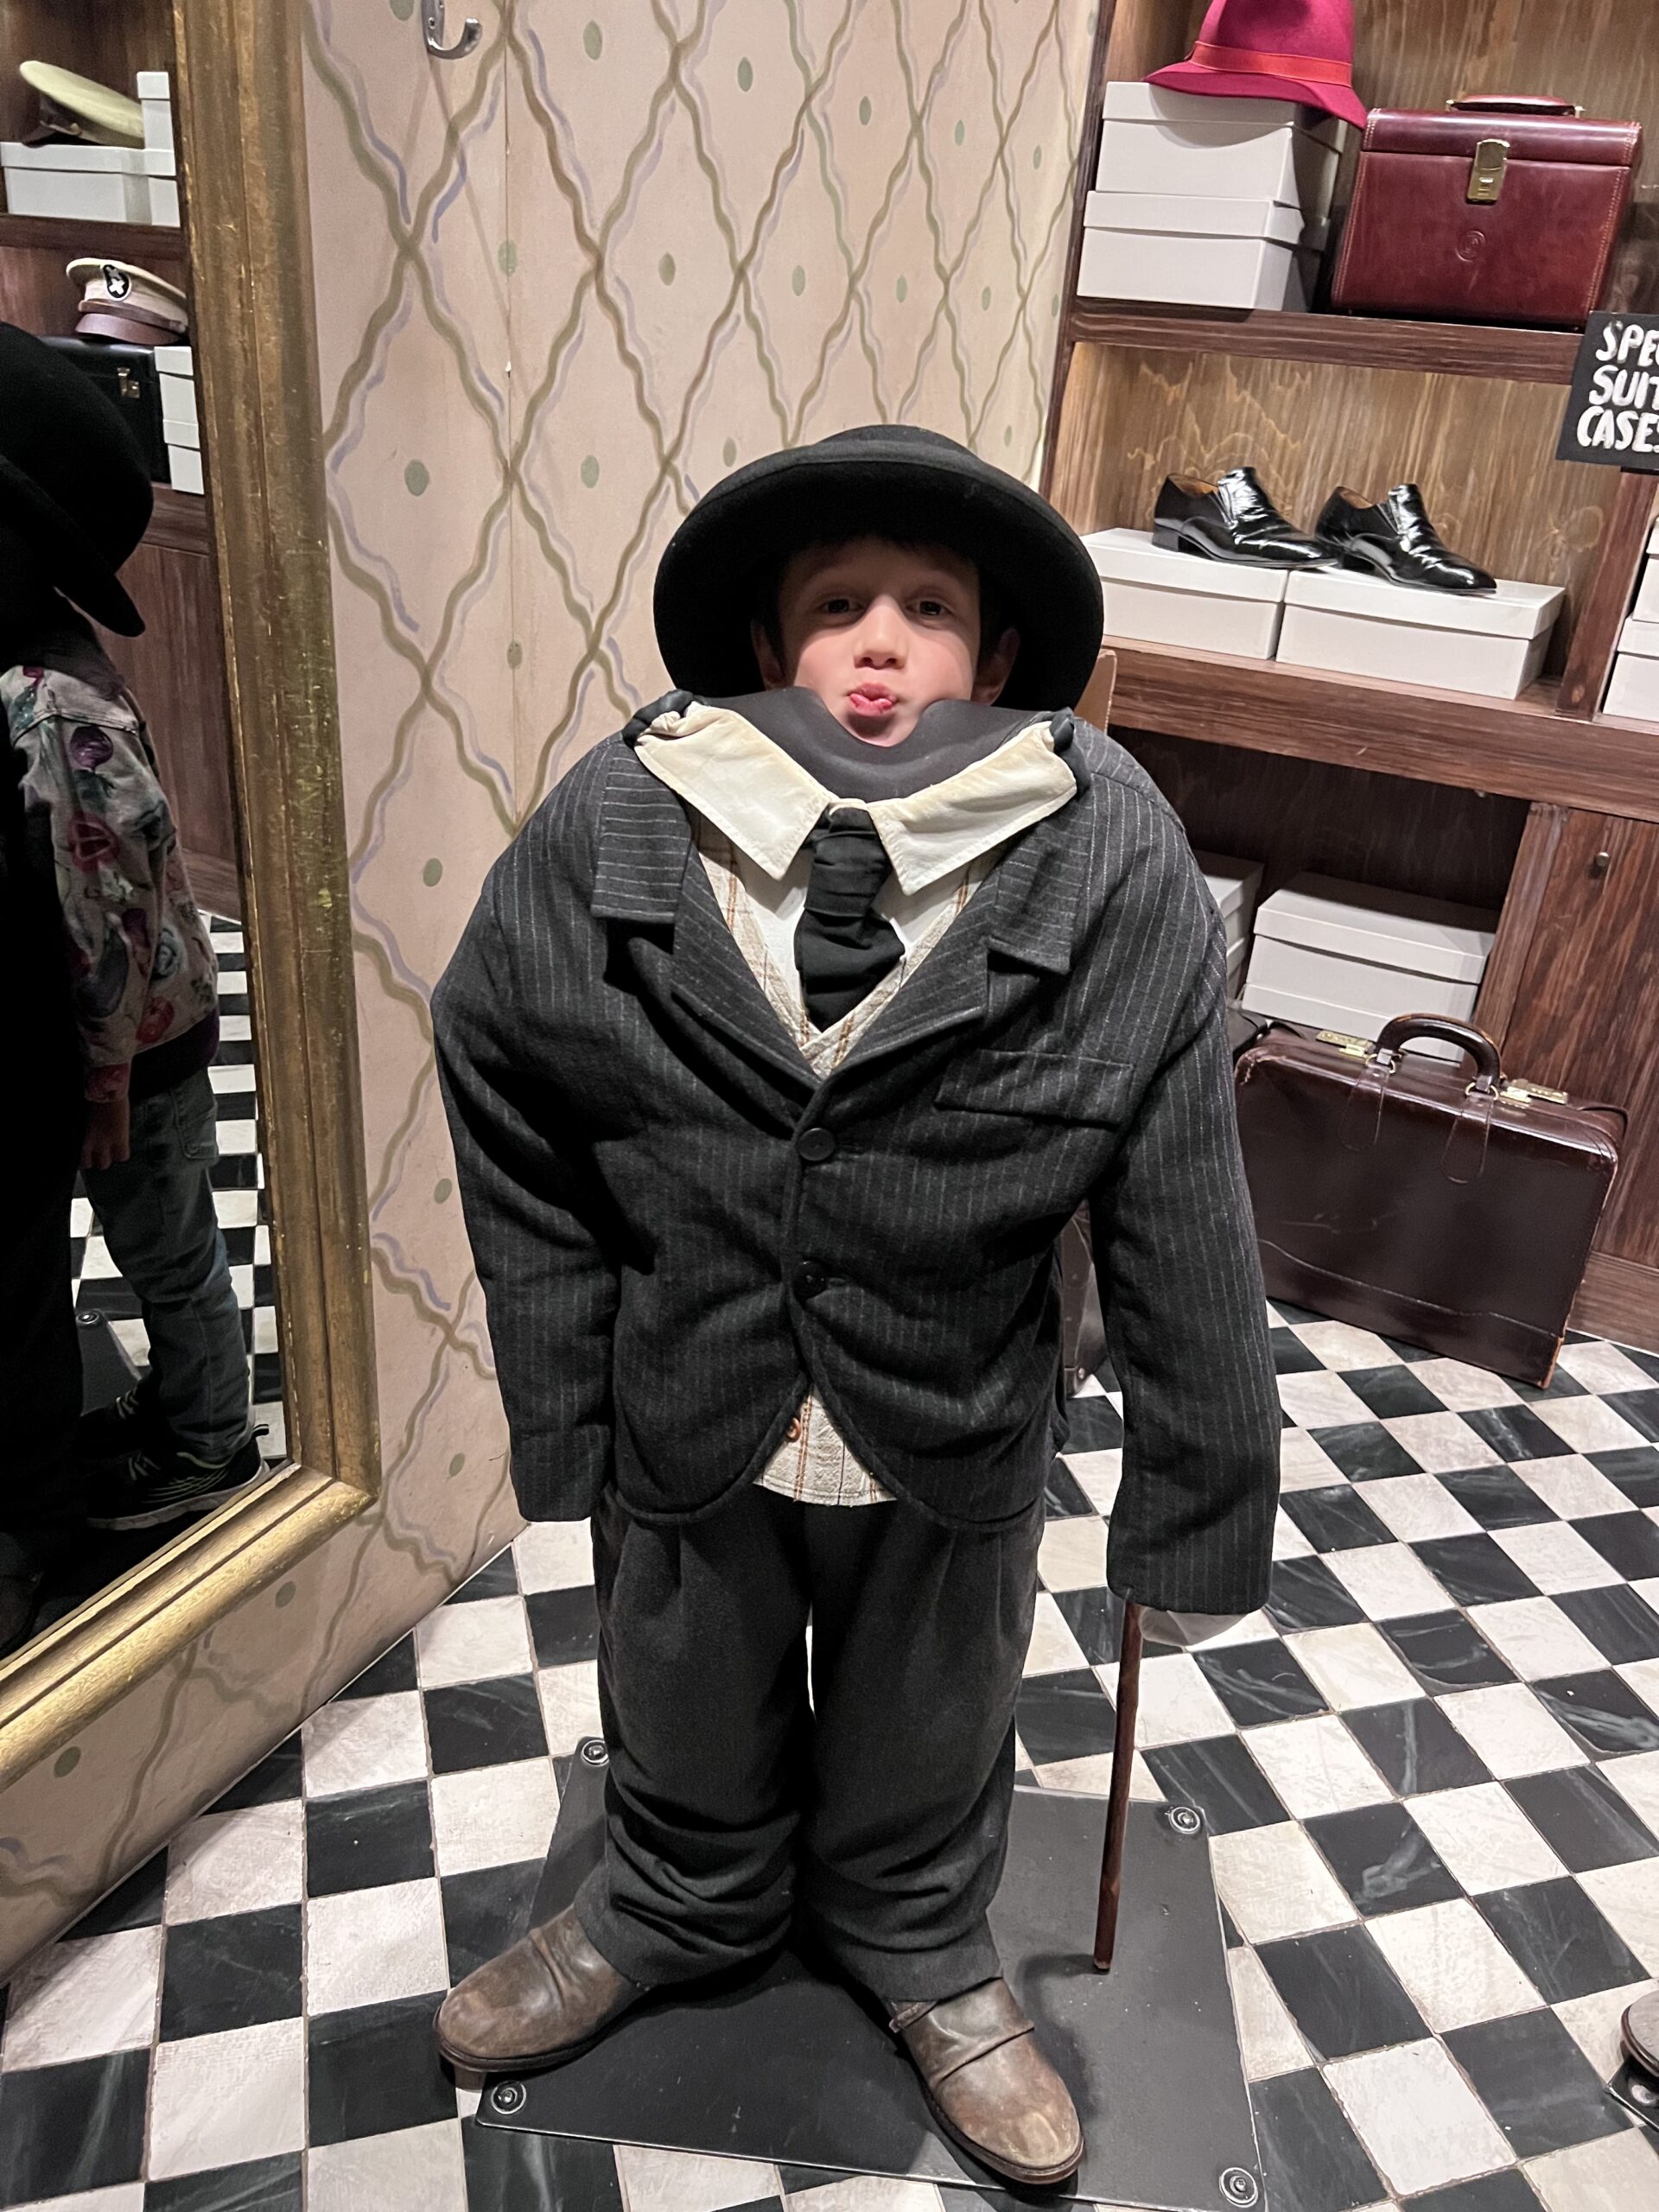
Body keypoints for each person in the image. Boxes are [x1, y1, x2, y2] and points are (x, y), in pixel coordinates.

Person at [430, 425, 1281, 2187]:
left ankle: (919, 1938)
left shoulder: (1107, 851)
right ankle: (676, 1893)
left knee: (931, 1711)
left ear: (1001, 653)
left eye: (927, 609)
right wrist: (565, 1392)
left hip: (950, 1406)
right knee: (681, 1676)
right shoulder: (624, 815)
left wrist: (1194, 1494)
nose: (879, 644)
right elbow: (500, 1064)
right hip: (696, 1385)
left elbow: (1183, 1190)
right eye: (835, 607)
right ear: (768, 644)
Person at [0, 326, 259, 1644]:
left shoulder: (49, 703)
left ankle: (211, 1439)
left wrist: (103, 1079)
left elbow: (101, 914)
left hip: (138, 1042)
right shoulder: (31, 674)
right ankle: (182, 1411)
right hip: (129, 1030)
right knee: (158, 1234)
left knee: (166, 1243)